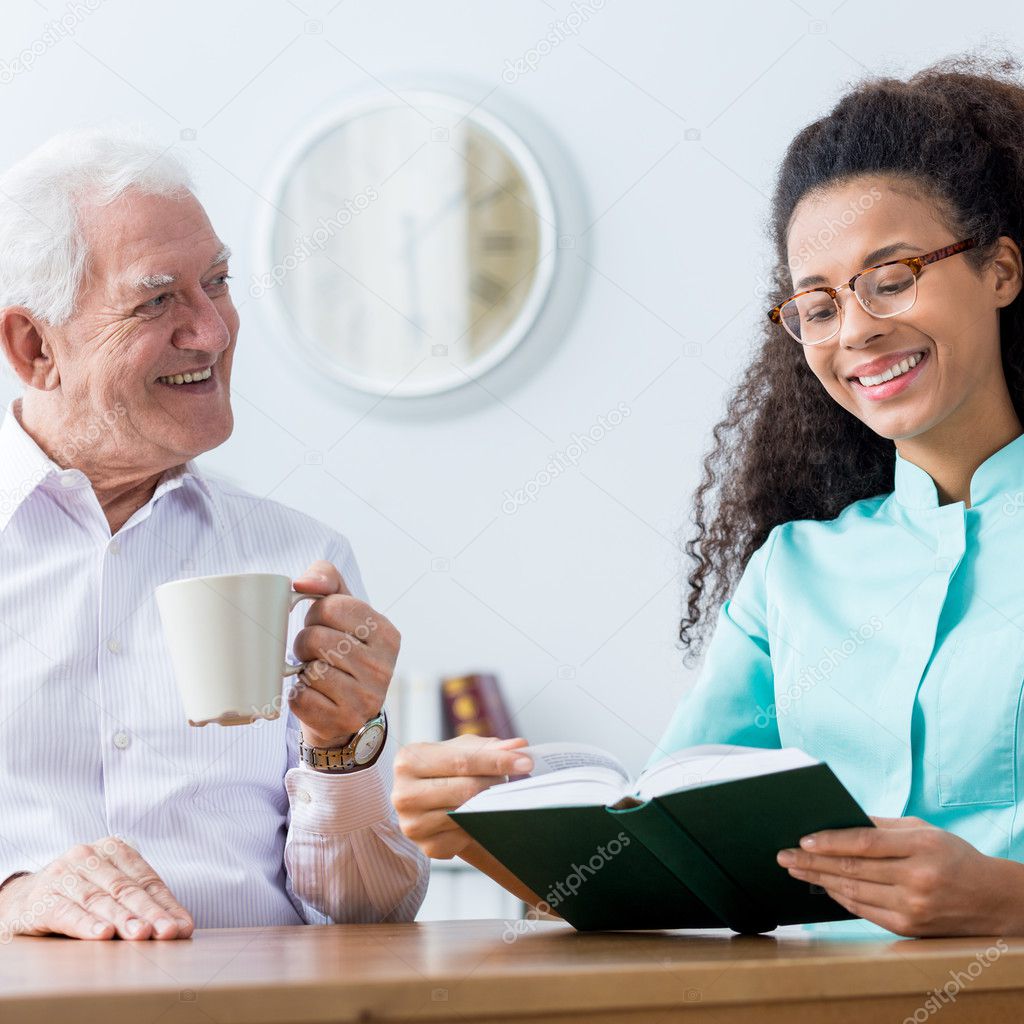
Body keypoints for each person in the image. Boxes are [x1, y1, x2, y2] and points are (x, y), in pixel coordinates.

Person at [393, 53, 1024, 938]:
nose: (859, 328)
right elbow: (667, 865)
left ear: (1001, 269)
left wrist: (1005, 901)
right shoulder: (793, 574)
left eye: (894, 276)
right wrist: (477, 830)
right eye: (818, 304)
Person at [0, 126, 428, 941]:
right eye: (158, 300)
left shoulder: (301, 559)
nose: (214, 331)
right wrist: (12, 899)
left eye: (218, 283)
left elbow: (373, 914)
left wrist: (346, 748)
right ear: (34, 347)